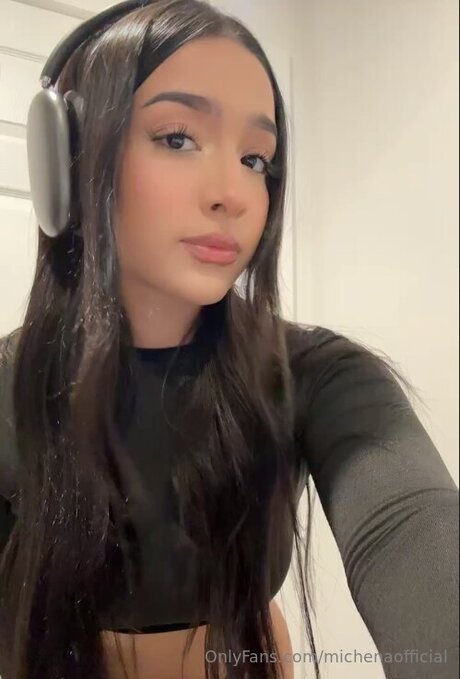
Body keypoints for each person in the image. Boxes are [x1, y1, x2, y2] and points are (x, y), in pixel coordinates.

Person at [0, 1, 458, 678]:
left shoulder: (317, 374)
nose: (234, 193)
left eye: (254, 158)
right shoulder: (10, 387)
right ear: (66, 161)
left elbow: (409, 522)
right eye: (177, 138)